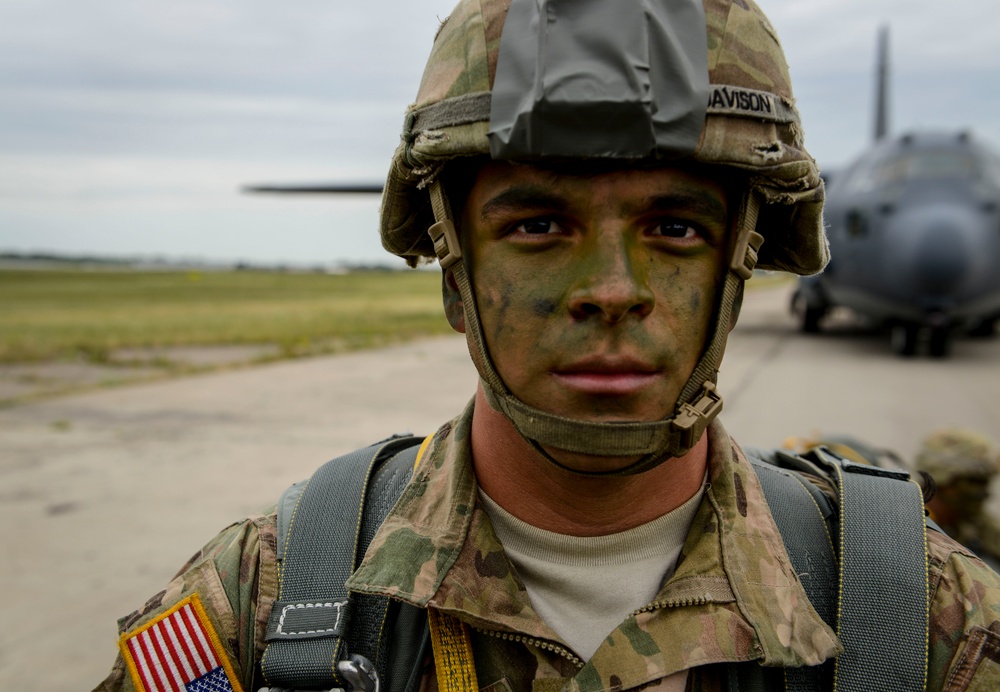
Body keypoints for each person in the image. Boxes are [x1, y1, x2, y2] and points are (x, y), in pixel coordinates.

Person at [96, 0, 1000, 690]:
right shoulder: (269, 598)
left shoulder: (919, 615)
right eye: (536, 224)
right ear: (455, 271)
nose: (611, 290)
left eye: (677, 229)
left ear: (742, 262)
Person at [917, 429, 1000, 571]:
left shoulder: (970, 522)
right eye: (975, 481)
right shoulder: (915, 528)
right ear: (944, 479)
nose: (984, 492)